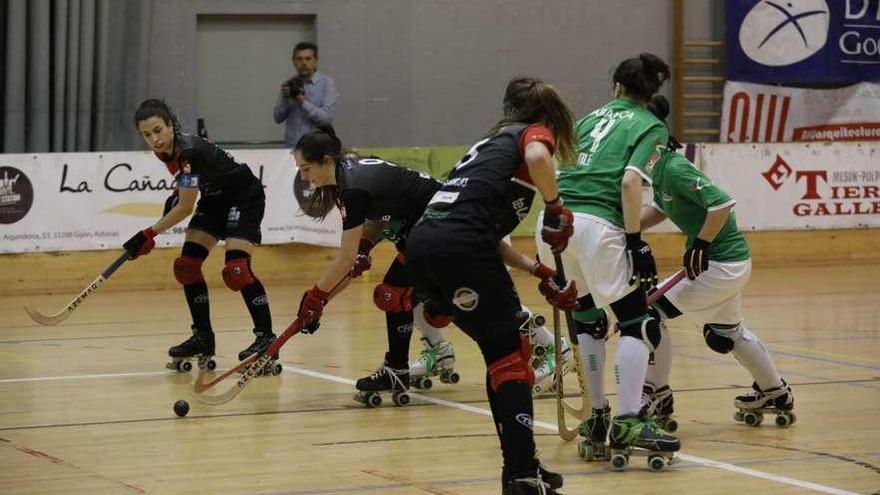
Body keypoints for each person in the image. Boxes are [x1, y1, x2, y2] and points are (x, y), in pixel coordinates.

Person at [292, 126, 571, 412]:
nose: (303, 177)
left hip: (437, 229)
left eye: (305, 168)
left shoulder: (351, 187)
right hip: (427, 229)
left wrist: (316, 296)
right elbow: (377, 215)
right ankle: (430, 354)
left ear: (326, 160)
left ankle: (549, 344)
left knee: (411, 296)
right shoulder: (350, 172)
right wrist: (365, 245)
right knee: (418, 297)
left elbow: (344, 258)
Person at [405, 76, 577, 495]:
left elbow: (474, 228)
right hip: (460, 249)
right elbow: (539, 155)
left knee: (500, 355)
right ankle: (521, 476)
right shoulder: (532, 133)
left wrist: (537, 270)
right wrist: (555, 206)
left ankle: (522, 466)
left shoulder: (489, 144)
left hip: (425, 246)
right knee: (512, 358)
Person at [534, 53, 680, 467]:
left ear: (616, 86)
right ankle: (630, 420)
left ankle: (597, 416)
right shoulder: (651, 125)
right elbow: (631, 181)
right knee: (637, 322)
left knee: (587, 320)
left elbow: (556, 169)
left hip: (556, 224)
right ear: (650, 93)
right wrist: (635, 240)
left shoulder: (588, 119)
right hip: (599, 226)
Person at [639, 95, 796, 428]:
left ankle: (657, 393)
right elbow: (662, 209)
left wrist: (700, 242)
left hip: (721, 265)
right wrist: (623, 226)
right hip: (728, 264)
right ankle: (775, 392)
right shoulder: (659, 170)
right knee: (727, 333)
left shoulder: (674, 167)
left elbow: (722, 204)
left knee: (649, 312)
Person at [125, 99, 276, 372]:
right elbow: (187, 189)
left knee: (237, 270)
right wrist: (175, 194)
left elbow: (185, 207)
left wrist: (149, 233)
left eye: (158, 130)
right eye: (147, 135)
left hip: (243, 198)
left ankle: (266, 339)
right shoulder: (167, 153)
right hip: (215, 200)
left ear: (171, 124)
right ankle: (203, 337)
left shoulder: (188, 152)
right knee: (187, 267)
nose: (154, 140)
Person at [273, 42, 338, 147]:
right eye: (299, 59)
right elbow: (277, 118)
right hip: (292, 147)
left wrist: (302, 102)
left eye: (308, 59)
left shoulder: (327, 83)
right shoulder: (289, 84)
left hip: (316, 148)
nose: (303, 63)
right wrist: (285, 99)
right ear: (293, 62)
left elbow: (326, 119)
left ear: (315, 61)